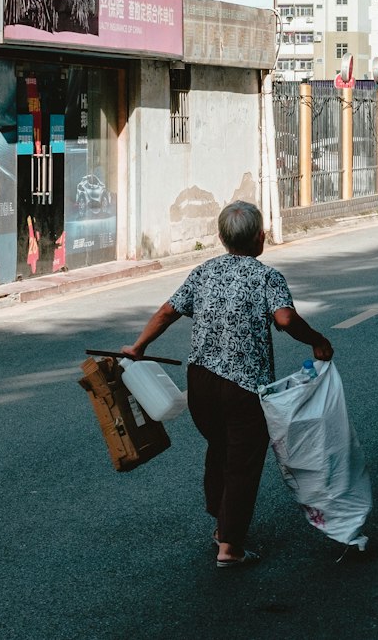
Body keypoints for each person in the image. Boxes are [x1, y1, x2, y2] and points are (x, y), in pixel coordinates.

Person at [123, 200, 333, 569]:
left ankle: (221, 525)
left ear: (220, 238)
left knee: (219, 448)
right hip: (243, 388)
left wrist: (139, 347)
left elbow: (168, 311)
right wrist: (317, 341)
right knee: (242, 461)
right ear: (260, 238)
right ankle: (230, 547)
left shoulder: (204, 272)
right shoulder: (266, 276)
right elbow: (284, 318)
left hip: (201, 383)